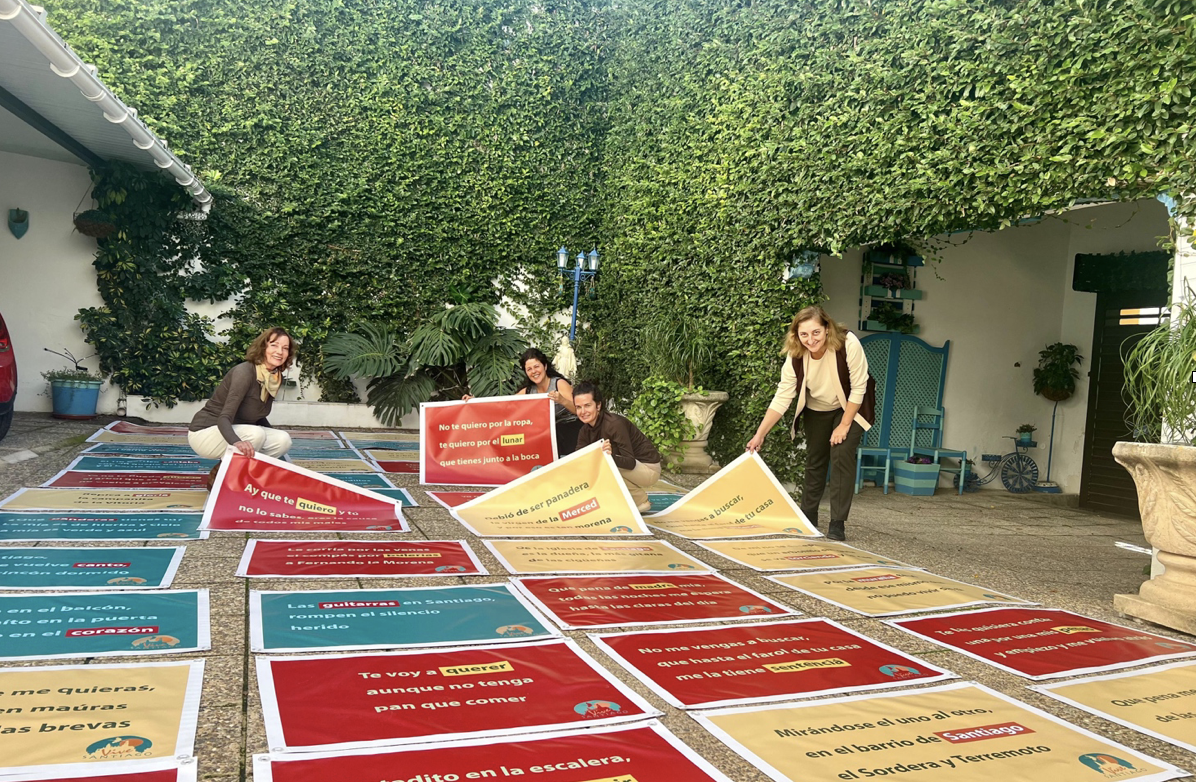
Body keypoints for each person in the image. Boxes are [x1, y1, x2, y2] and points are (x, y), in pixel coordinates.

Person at [746, 306, 875, 541]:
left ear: (827, 329)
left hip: (850, 407)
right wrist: (760, 434)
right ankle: (808, 517)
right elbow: (783, 396)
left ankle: (837, 523)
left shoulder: (848, 343)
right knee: (815, 459)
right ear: (796, 335)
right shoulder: (796, 354)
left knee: (841, 453)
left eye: (816, 332)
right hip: (817, 409)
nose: (810, 339)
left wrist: (844, 425)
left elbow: (859, 386)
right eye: (804, 334)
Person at [187, 327, 295, 464]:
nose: (280, 352)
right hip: (206, 432)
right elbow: (224, 418)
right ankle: (229, 474)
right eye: (274, 345)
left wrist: (273, 436)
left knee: (283, 440)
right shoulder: (244, 373)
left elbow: (258, 416)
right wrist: (236, 442)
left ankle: (249, 471)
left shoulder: (273, 378)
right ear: (263, 348)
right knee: (256, 435)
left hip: (240, 430)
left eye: (285, 348)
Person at [464, 348, 582, 456]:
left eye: (537, 366)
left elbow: (579, 410)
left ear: (545, 366)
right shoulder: (529, 391)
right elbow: (504, 405)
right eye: (529, 369)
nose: (534, 371)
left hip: (569, 429)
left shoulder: (559, 383)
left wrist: (562, 400)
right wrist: (475, 402)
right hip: (547, 435)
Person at [574, 381, 662, 513]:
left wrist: (606, 455)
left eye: (587, 405)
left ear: (598, 406)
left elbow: (630, 462)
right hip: (628, 468)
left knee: (603, 463)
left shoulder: (614, 424)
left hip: (648, 469)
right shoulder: (584, 430)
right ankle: (630, 498)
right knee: (593, 464)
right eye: (578, 407)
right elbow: (579, 460)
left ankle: (640, 500)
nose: (583, 411)